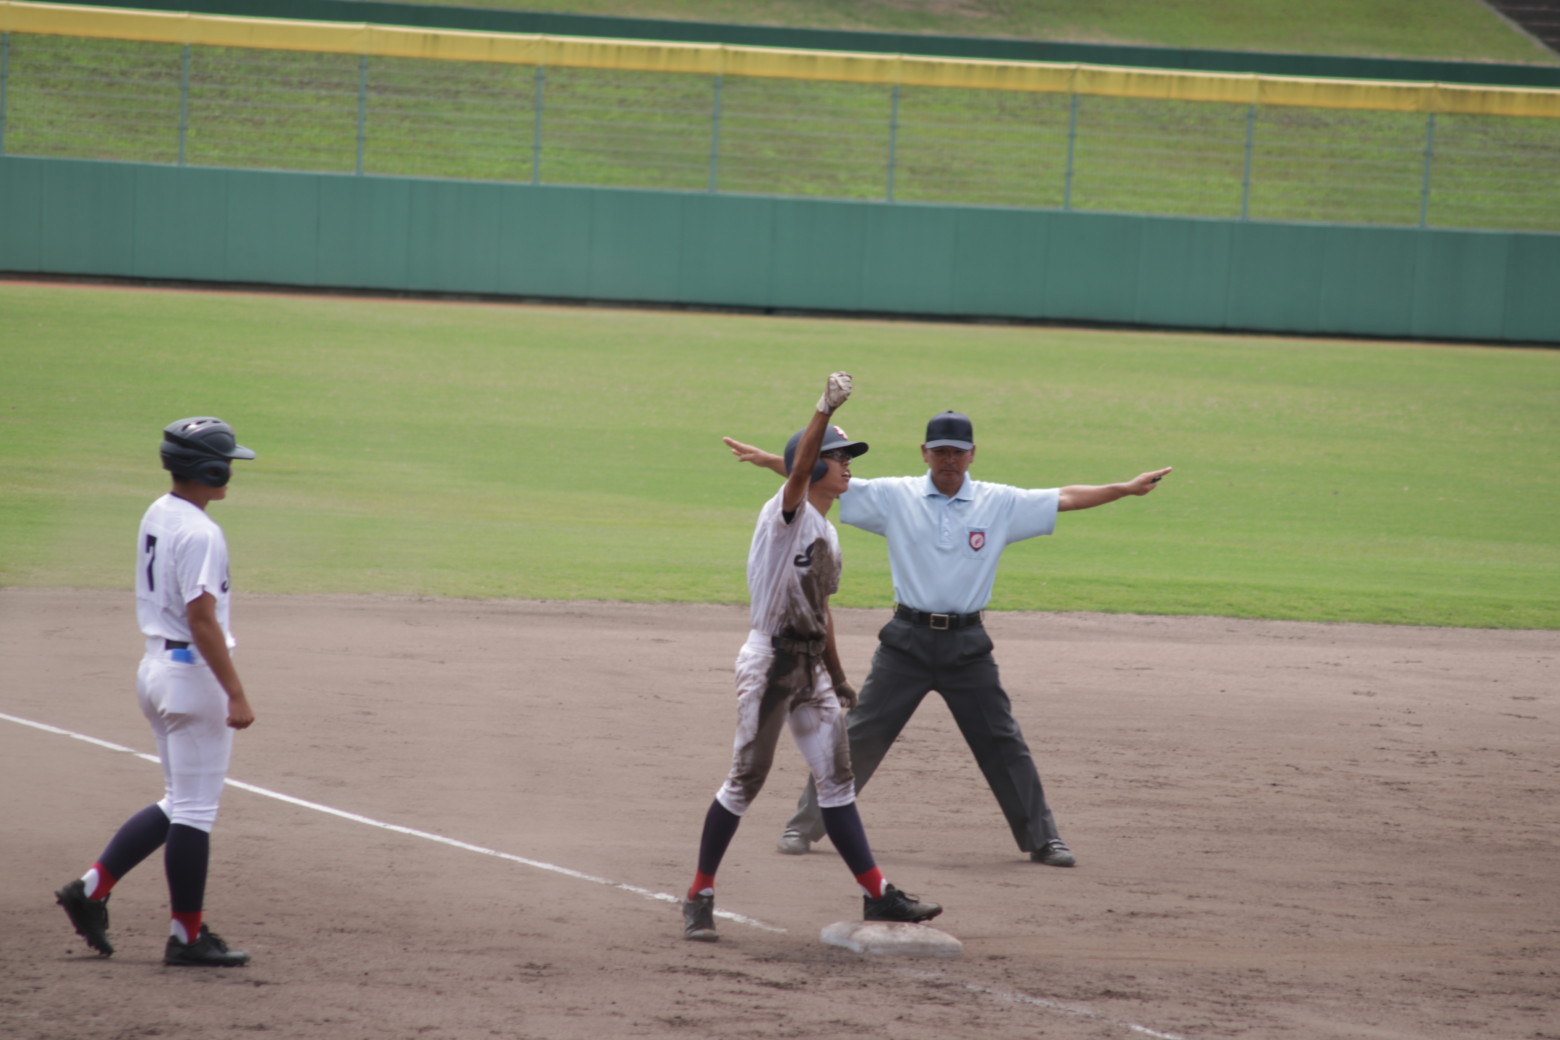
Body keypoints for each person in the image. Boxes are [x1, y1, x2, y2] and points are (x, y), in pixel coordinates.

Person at [723, 409, 1170, 868]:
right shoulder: (895, 496)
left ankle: (1044, 838)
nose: (949, 460)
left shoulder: (1000, 502)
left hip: (967, 646)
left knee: (1001, 740)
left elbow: (1067, 497)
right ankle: (803, 824)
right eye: (940, 451)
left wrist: (1126, 488)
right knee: (861, 733)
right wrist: (769, 461)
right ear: (925, 453)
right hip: (906, 642)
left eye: (957, 452)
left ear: (973, 455)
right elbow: (819, 475)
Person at [682, 373, 942, 942]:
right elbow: (797, 470)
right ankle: (699, 894)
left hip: (810, 667)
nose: (847, 464)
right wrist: (822, 408)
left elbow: (820, 610)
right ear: (814, 464)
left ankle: (878, 896)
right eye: (838, 456)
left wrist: (840, 676)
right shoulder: (787, 514)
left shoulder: (828, 529)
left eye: (848, 456)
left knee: (837, 782)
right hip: (768, 663)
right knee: (745, 780)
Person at [54, 416, 258, 967]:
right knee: (195, 812)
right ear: (208, 468)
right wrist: (234, 692)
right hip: (193, 677)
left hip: (155, 669)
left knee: (178, 801)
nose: (231, 473)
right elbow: (202, 619)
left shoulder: (160, 511)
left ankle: (91, 887)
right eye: (227, 464)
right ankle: (187, 939)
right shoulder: (202, 532)